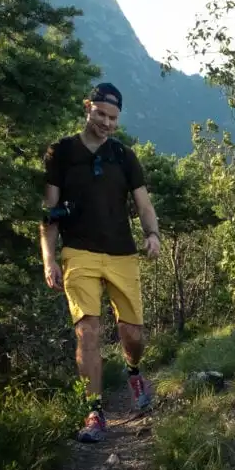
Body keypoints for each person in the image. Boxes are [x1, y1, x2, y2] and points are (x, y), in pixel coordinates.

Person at [40, 81, 163, 443]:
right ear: (87, 107)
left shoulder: (124, 157)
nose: (107, 124)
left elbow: (144, 205)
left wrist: (152, 234)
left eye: (113, 118)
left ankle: (134, 371)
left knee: (133, 334)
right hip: (78, 251)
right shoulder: (60, 153)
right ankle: (94, 410)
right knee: (87, 330)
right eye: (101, 115)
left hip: (122, 253)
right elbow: (48, 215)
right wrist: (50, 260)